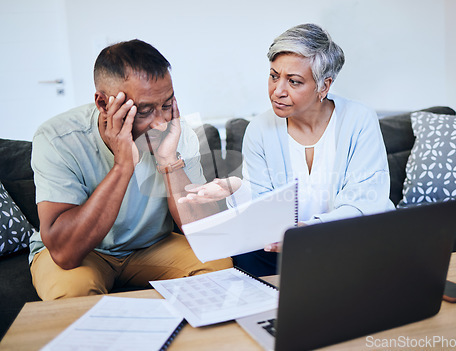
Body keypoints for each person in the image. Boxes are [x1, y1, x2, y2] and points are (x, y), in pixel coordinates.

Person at [180, 24, 394, 276]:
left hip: (346, 241)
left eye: (294, 81)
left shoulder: (359, 119)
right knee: (246, 255)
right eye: (273, 76)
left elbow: (364, 202)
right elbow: (263, 204)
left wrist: (308, 232)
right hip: (284, 248)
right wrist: (238, 187)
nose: (277, 91)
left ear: (324, 86)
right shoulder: (259, 129)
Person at [29, 39, 232, 301]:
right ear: (103, 104)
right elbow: (65, 254)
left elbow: (207, 236)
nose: (160, 123)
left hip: (151, 247)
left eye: (167, 105)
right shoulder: (57, 138)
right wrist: (123, 166)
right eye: (145, 110)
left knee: (218, 268)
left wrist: (170, 160)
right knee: (73, 294)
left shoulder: (177, 132)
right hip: (87, 254)